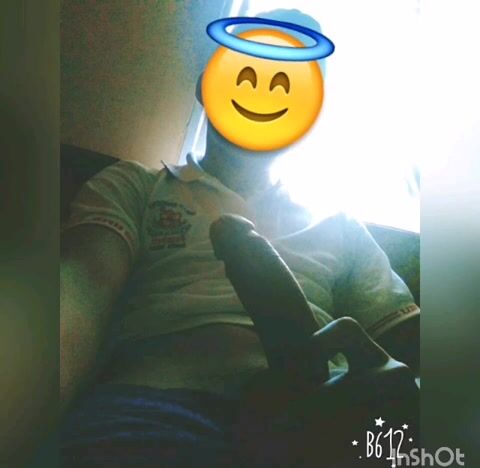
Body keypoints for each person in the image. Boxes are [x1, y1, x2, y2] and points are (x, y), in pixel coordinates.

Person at [60, 10, 420, 468]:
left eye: (288, 84)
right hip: (152, 411)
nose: (262, 93)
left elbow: (412, 344)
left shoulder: (341, 225)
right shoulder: (135, 186)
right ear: (204, 84)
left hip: (321, 422)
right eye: (245, 73)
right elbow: (78, 294)